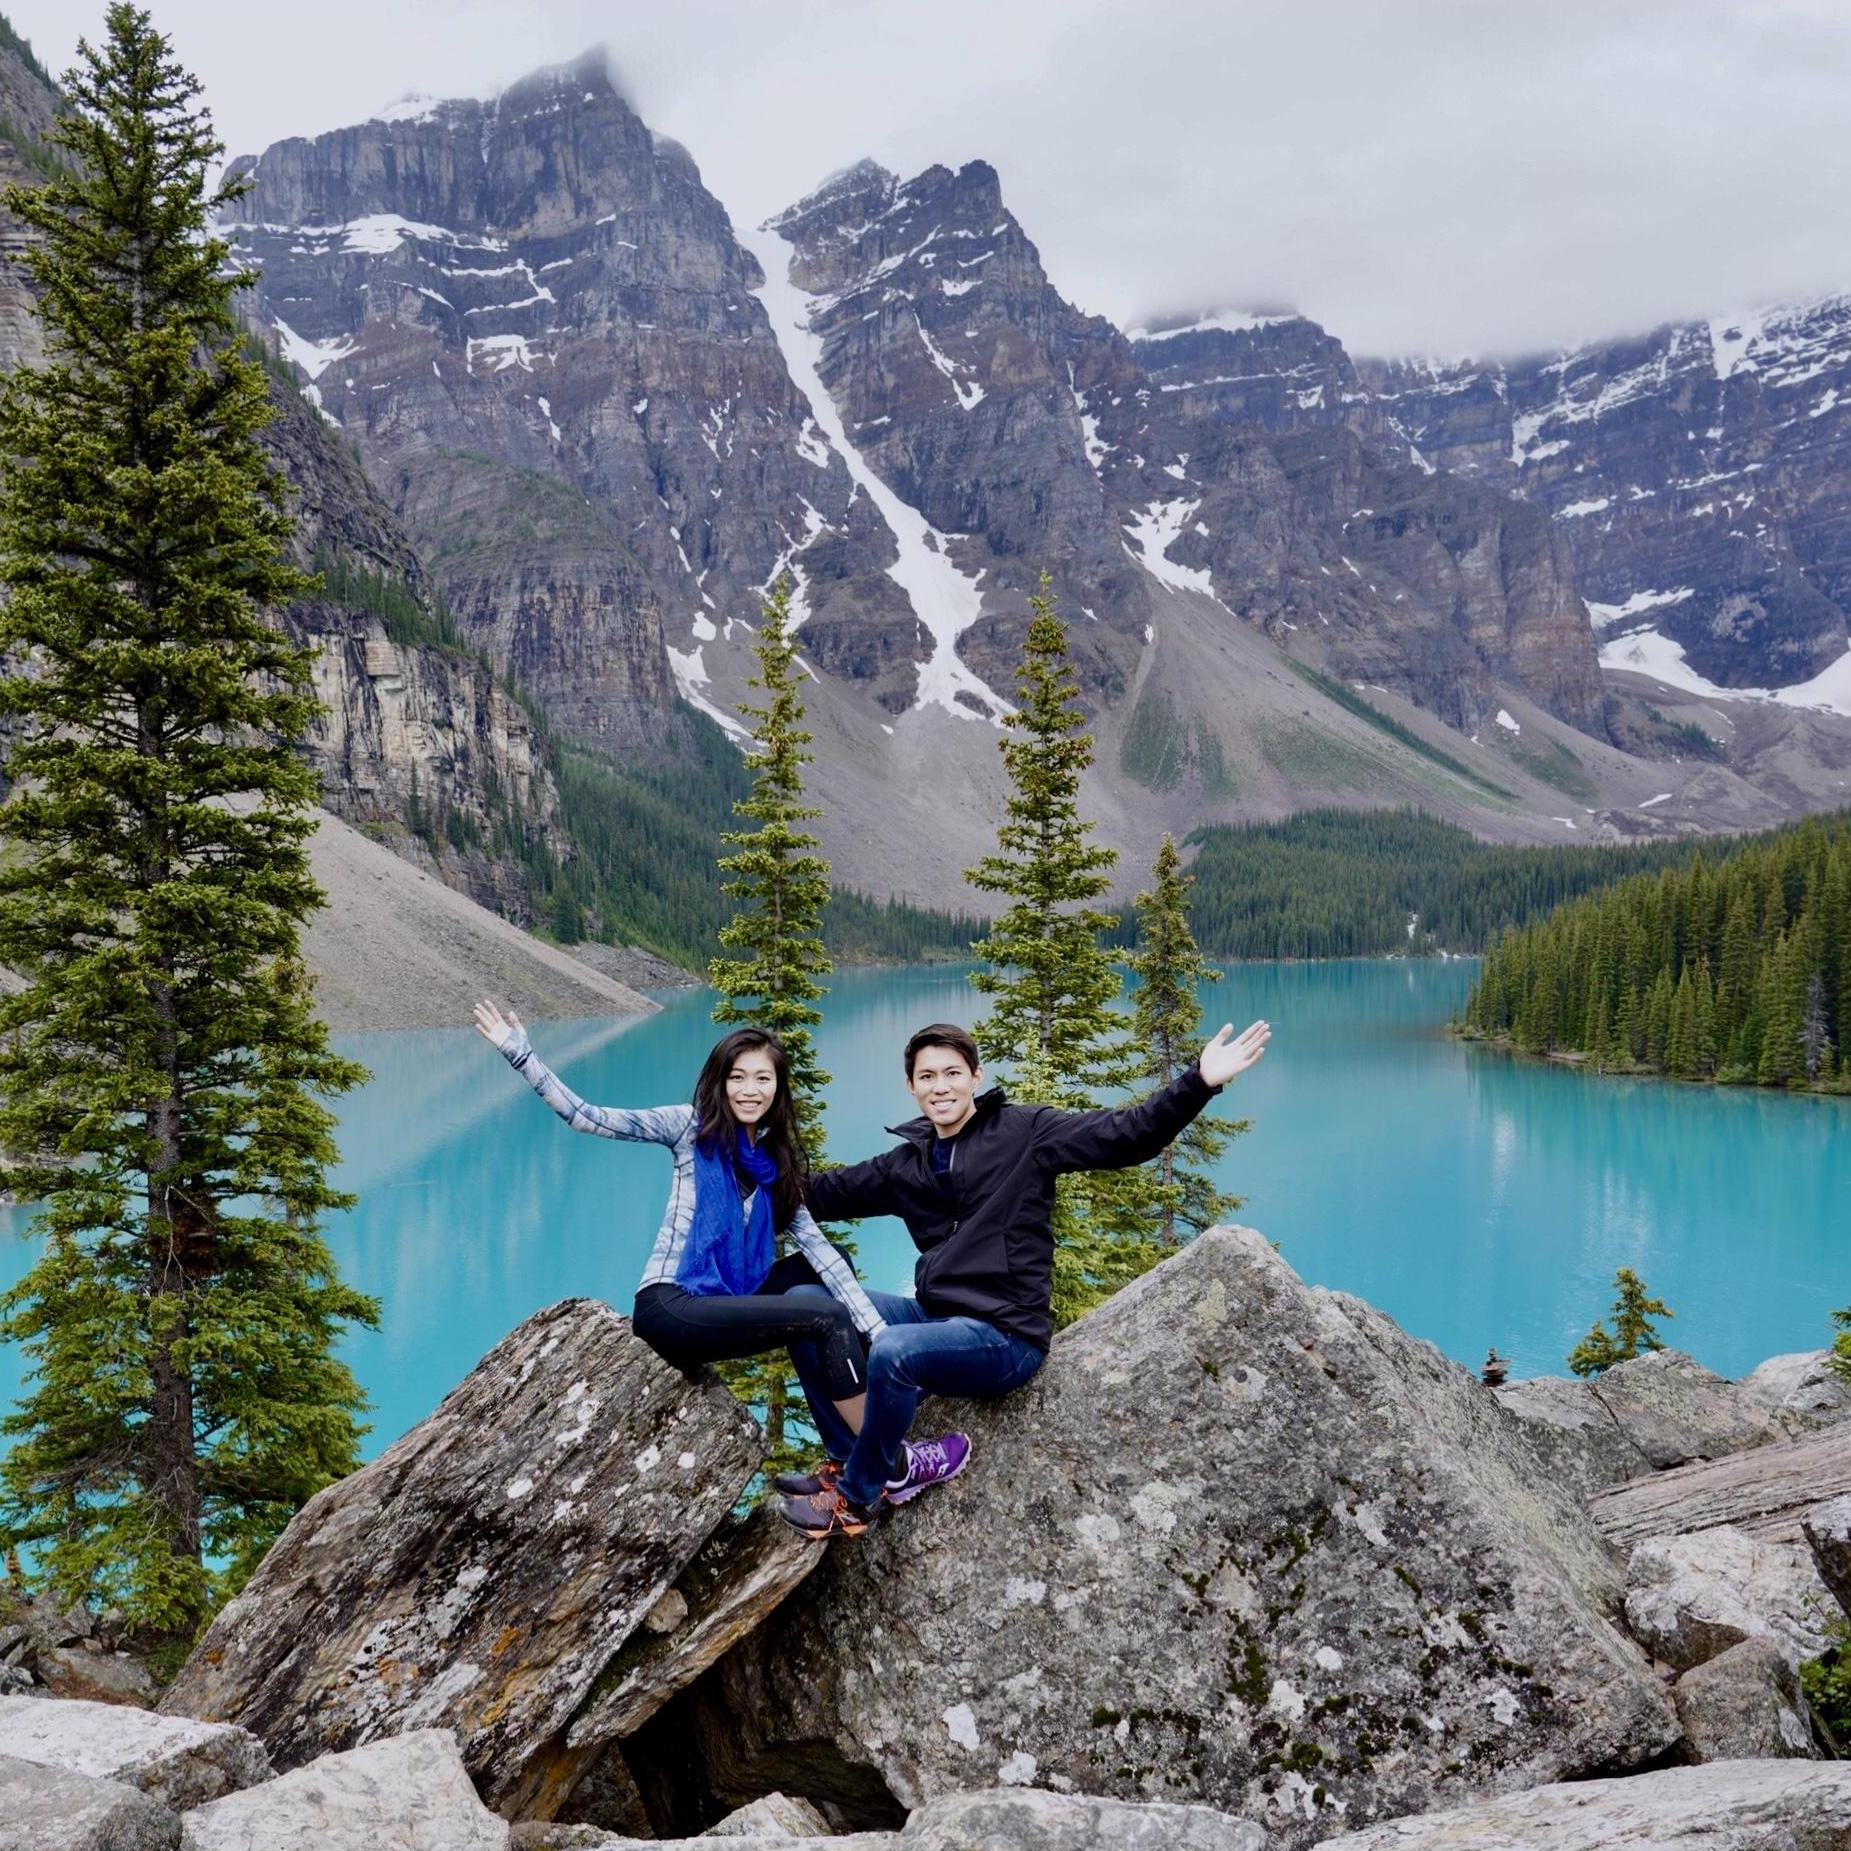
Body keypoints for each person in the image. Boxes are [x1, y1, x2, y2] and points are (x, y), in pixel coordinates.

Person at [774, 1016, 1271, 1539]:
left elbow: (1128, 1136)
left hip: (1005, 1335)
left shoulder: (1026, 1132)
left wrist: (1200, 1081)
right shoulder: (908, 1162)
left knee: (893, 1350)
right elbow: (820, 1193)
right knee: (809, 1306)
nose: (940, 1087)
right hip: (936, 1320)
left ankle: (859, 1497)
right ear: (911, 1086)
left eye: (951, 1073)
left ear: (976, 1077)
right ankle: (848, 1459)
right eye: (927, 1077)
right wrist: (737, 1164)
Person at [472, 1000, 898, 1426]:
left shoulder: (775, 1165)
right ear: (721, 1082)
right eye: (738, 1078)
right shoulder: (689, 1129)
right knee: (825, 1316)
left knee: (832, 1266)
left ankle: (853, 1443)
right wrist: (521, 1054)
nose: (749, 1090)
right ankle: (885, 1461)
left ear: (777, 1088)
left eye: (762, 1079)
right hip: (673, 1304)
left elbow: (820, 1253)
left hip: (734, 1296)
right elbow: (586, 1117)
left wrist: (881, 1337)